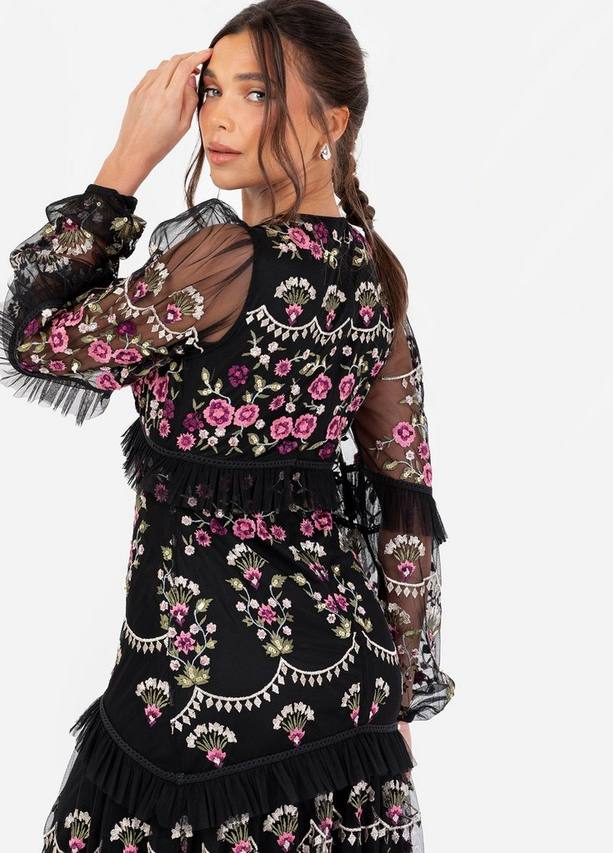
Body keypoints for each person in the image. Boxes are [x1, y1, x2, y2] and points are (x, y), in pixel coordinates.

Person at [0, 1, 455, 850]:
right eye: (212, 90)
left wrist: (125, 163)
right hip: (344, 701)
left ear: (335, 122)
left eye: (258, 92)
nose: (218, 116)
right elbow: (405, 499)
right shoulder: (375, 275)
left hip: (198, 709)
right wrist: (393, 697)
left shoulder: (218, 263)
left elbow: (34, 339)